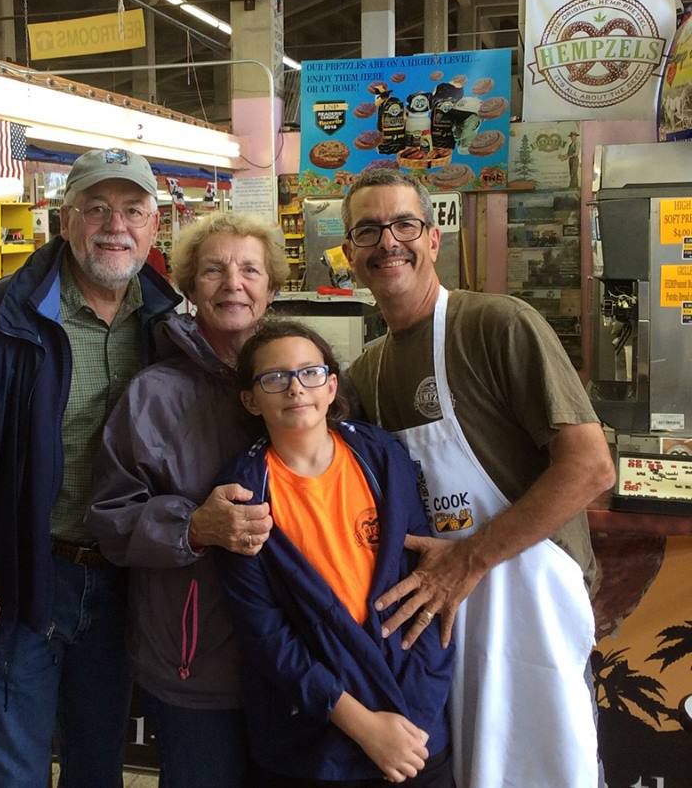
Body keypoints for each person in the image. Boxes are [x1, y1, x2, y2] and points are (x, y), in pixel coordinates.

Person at [0, 148, 180, 787]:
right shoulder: (1, 318)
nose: (116, 225)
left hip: (123, 585)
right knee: (9, 771)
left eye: (133, 210)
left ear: (154, 227)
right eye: (97, 208)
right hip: (24, 578)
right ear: (64, 219)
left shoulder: (167, 323)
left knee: (97, 765)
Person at [341, 170, 616, 788]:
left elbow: (590, 467)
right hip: (440, 616)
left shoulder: (497, 325)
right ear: (350, 255)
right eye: (367, 230)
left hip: (526, 601)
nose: (388, 242)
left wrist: (468, 561)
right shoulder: (367, 372)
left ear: (433, 238)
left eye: (404, 224)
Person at [86, 212, 288, 788]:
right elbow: (111, 517)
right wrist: (194, 526)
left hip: (298, 658)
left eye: (250, 269)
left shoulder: (305, 381)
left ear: (272, 287)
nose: (233, 283)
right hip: (196, 661)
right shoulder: (153, 394)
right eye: (213, 270)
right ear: (188, 288)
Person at [218, 320, 455, 788]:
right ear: (251, 399)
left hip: (413, 727)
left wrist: (413, 718)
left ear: (331, 387)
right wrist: (362, 724)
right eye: (274, 378)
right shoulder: (241, 496)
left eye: (310, 373)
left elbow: (426, 586)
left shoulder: (382, 458)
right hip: (314, 737)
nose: (294, 388)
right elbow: (269, 639)